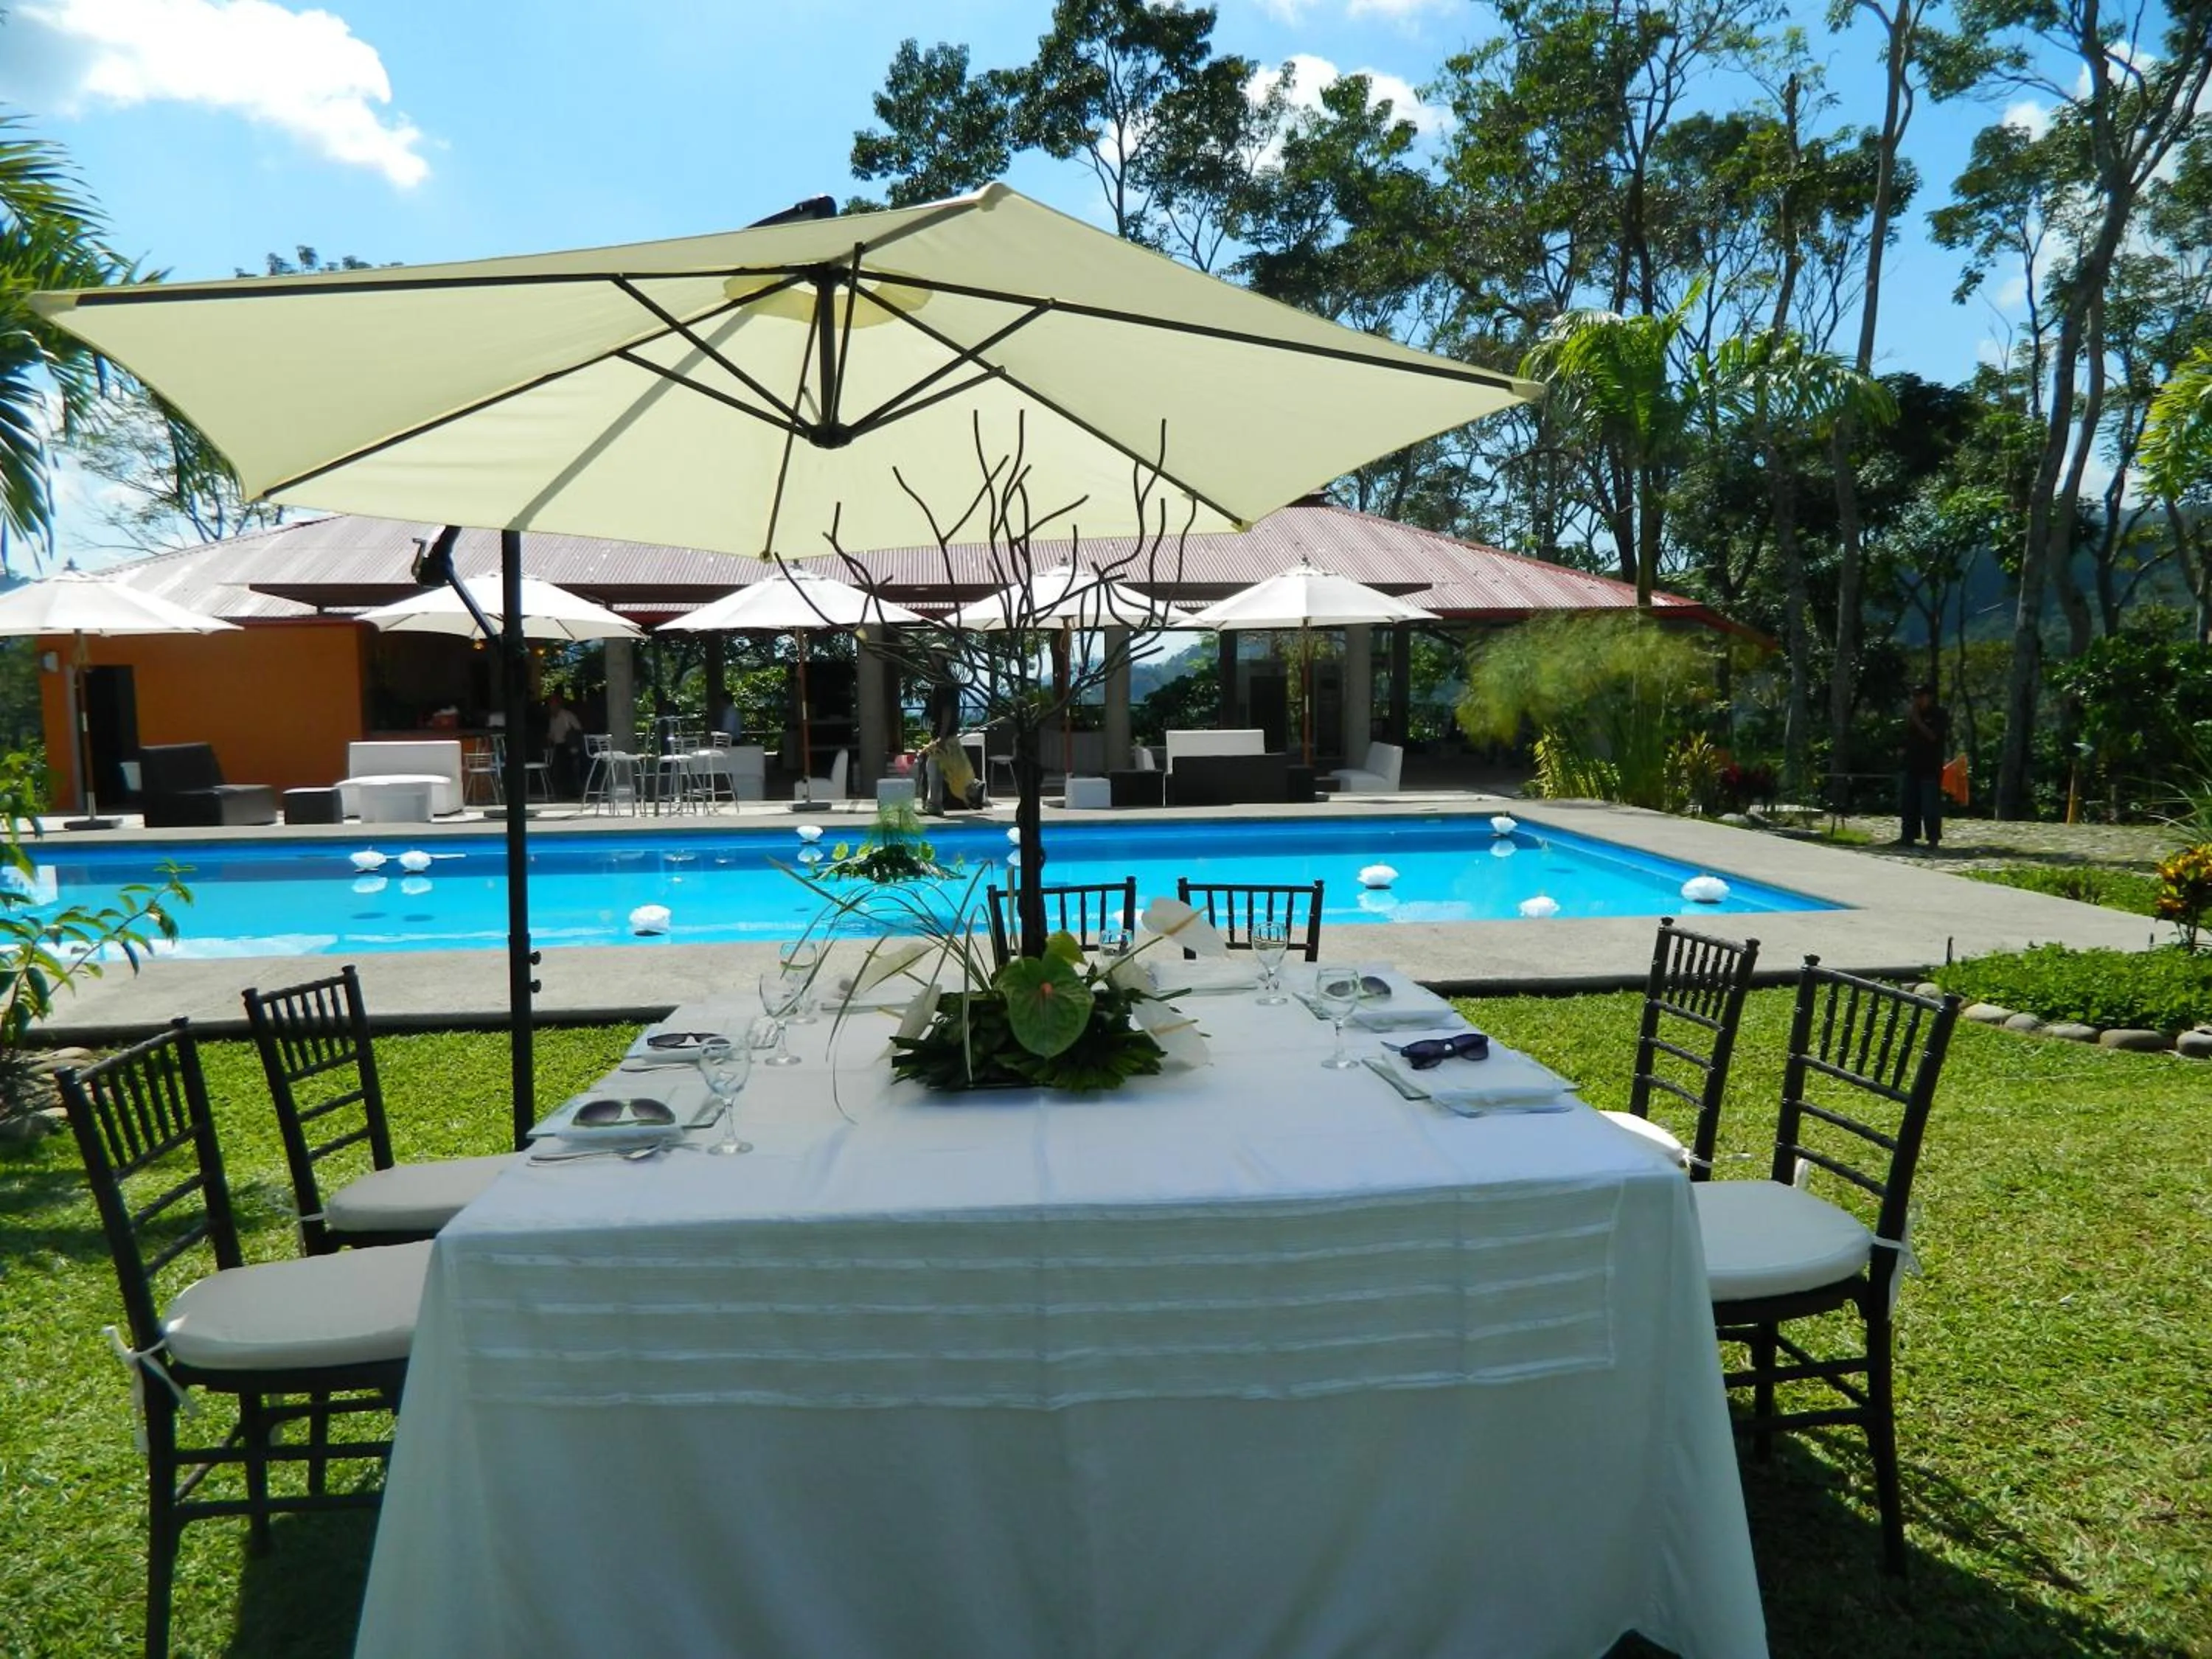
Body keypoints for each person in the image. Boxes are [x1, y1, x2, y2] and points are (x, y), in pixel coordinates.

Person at [1896, 681, 1949, 849]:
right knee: (1909, 803)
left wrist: (1918, 720)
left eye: (1921, 696)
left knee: (1930, 806)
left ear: (1929, 697)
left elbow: (1933, 736)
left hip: (1930, 767)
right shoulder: (1914, 716)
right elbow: (1908, 737)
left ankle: (1933, 838)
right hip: (1912, 765)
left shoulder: (1939, 714)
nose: (1917, 700)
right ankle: (1908, 836)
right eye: (1915, 697)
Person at [544, 692, 585, 796]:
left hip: (569, 746)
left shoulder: (567, 715)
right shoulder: (552, 718)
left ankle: (574, 792)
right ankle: (564, 791)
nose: (551, 707)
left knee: (571, 770)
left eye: (553, 704)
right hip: (559, 746)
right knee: (561, 770)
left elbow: (578, 729)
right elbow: (552, 734)